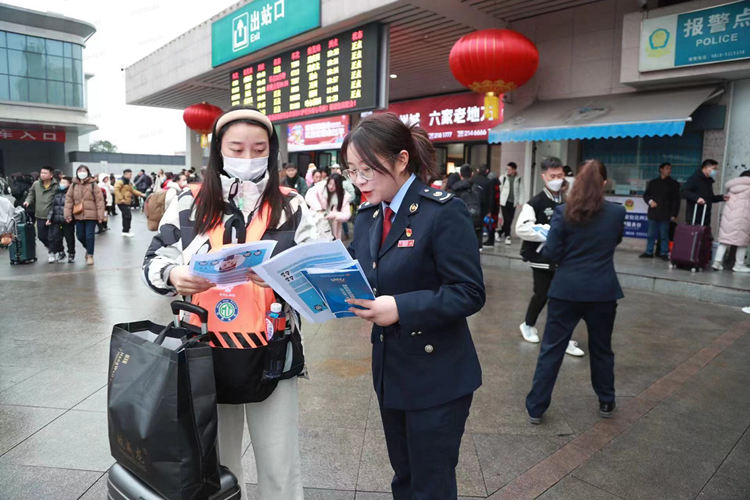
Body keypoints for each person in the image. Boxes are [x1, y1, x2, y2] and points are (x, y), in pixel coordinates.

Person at [143, 106, 323, 500]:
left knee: (279, 462)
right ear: (218, 150)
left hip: (273, 352)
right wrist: (174, 275)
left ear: (272, 152)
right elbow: (154, 260)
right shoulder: (188, 202)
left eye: (258, 148)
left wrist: (283, 277)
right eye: (236, 148)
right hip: (204, 354)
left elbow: (317, 273)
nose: (247, 157)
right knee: (216, 463)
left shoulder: (293, 204)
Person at [343, 113, 484, 499]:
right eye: (352, 171)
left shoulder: (442, 211)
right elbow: (357, 269)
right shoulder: (370, 215)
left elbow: (469, 291)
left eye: (368, 169)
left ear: (401, 160)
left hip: (437, 374)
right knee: (404, 476)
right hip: (391, 369)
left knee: (431, 484)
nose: (359, 181)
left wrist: (401, 307)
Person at [526, 160, 625, 424]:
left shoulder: (563, 211)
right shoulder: (616, 213)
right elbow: (615, 240)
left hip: (565, 290)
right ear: (604, 183)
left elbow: (552, 252)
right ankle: (606, 399)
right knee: (602, 348)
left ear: (576, 181)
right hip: (603, 291)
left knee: (552, 349)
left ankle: (536, 407)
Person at [516, 156, 584, 357]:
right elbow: (522, 228)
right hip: (542, 258)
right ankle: (528, 324)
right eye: (553, 176)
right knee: (542, 294)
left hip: (564, 258)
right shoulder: (535, 202)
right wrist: (548, 231)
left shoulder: (566, 200)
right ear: (544, 177)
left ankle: (564, 338)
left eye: (560, 175)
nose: (557, 179)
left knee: (565, 298)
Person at [64, 165, 105, 265]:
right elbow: (68, 200)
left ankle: (90, 255)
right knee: (80, 235)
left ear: (88, 172)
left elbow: (100, 201)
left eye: (84, 170)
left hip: (92, 215)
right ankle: (88, 248)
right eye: (80, 170)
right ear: (77, 172)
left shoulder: (93, 185)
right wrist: (67, 214)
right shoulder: (73, 185)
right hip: (78, 214)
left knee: (89, 235)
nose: (82, 172)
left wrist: (100, 215)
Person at [640, 162, 681, 260]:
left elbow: (676, 200)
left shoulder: (674, 184)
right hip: (653, 212)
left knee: (664, 235)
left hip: (666, 213)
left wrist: (674, 214)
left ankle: (664, 253)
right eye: (666, 168)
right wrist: (650, 201)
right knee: (650, 234)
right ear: (661, 169)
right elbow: (646, 195)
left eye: (670, 169)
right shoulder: (653, 182)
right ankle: (649, 251)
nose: (669, 170)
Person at [713, 170, 750, 272]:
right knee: (742, 242)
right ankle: (739, 265)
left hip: (728, 218)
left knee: (724, 241)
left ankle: (717, 262)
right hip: (743, 218)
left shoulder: (732, 188)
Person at [23, 166, 58, 262]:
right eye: (41, 172)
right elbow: (31, 194)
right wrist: (28, 201)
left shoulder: (56, 185)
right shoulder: (36, 184)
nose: (42, 174)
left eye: (45, 173)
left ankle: (52, 252)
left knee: (52, 236)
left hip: (52, 215)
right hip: (40, 215)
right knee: (41, 236)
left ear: (51, 175)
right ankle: (51, 248)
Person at [681, 159, 728, 228]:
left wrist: (722, 197)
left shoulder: (708, 181)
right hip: (695, 216)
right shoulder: (694, 179)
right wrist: (697, 198)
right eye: (713, 169)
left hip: (706, 216)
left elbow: (710, 198)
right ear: (705, 168)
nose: (715, 171)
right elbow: (684, 191)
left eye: (716, 169)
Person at [451, 164, 484, 249]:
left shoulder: (455, 188)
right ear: (471, 174)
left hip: (460, 222)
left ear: (460, 175)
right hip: (476, 220)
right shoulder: (478, 188)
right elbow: (483, 205)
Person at [46, 176, 76, 263]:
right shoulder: (57, 193)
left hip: (68, 220)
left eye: (64, 182)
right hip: (56, 220)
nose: (61, 184)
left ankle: (71, 254)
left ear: (69, 184)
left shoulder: (72, 194)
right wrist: (49, 218)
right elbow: (53, 207)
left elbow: (74, 207)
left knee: (69, 238)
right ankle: (61, 252)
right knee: (56, 237)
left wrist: (71, 217)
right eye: (61, 182)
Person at [114, 169, 145, 237]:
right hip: (122, 202)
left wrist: (141, 194)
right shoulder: (120, 181)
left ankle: (125, 231)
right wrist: (121, 199)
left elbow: (132, 190)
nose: (131, 176)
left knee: (126, 216)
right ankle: (126, 231)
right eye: (130, 174)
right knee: (127, 216)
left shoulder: (128, 182)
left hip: (126, 201)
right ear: (125, 174)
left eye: (131, 174)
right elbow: (116, 190)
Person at [498, 161, 524, 245]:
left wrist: (520, 201)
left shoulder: (519, 178)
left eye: (509, 169)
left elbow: (521, 190)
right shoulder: (503, 177)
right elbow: (500, 189)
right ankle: (507, 236)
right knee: (507, 219)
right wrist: (498, 200)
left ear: (514, 170)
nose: (507, 170)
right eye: (507, 169)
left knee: (510, 219)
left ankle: (500, 232)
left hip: (513, 202)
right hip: (504, 201)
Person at [325, 173, 352, 240]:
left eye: (334, 185)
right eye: (329, 184)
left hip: (335, 230)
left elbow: (347, 214)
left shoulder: (344, 196)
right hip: (321, 227)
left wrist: (335, 215)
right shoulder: (323, 191)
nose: (331, 187)